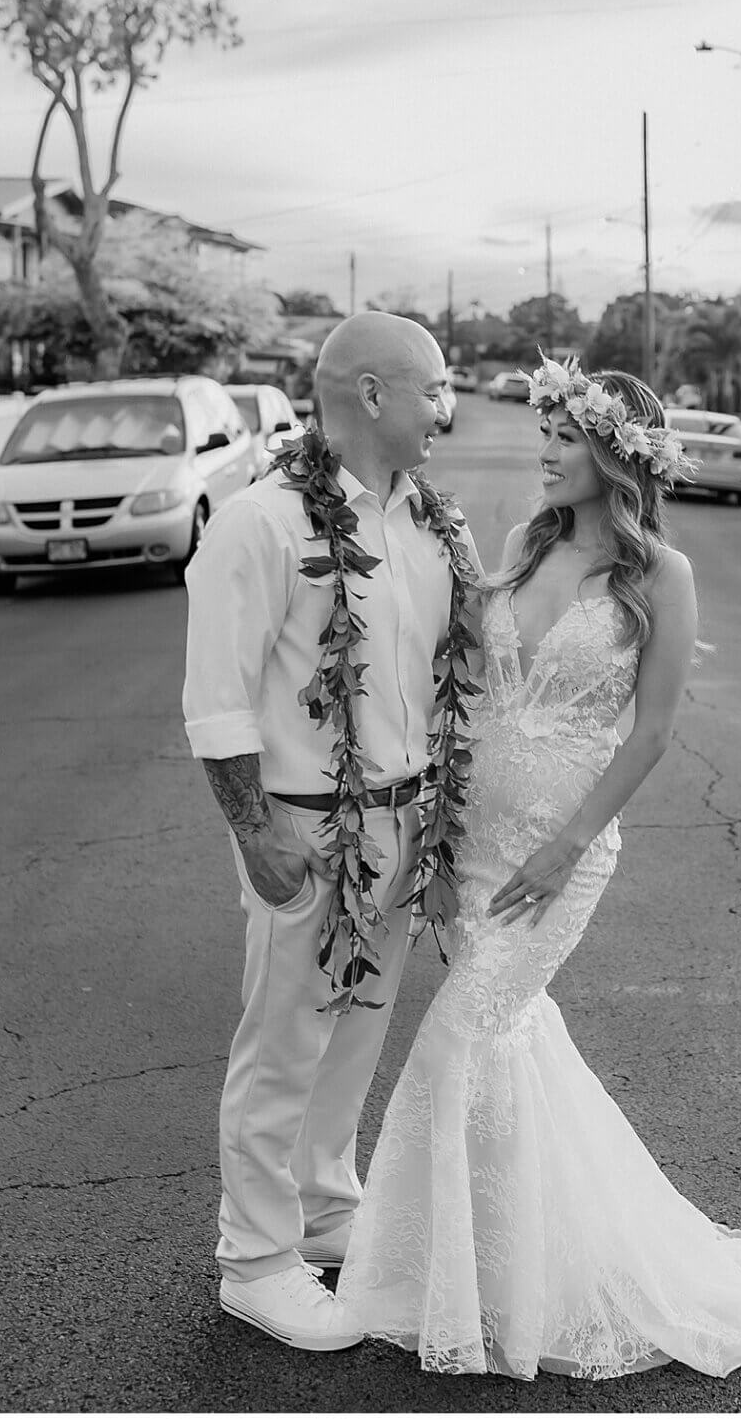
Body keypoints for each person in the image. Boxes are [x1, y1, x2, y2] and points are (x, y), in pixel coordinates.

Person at [333, 358, 741, 1382]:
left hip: (564, 848)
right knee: (509, 1046)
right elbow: (468, 686)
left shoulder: (659, 577)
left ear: (615, 452)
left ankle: (452, 1279)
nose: (543, 451)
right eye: (545, 432)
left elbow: (652, 732)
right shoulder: (519, 545)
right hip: (479, 835)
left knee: (466, 1036)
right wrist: (444, 843)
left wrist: (566, 844)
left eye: (562, 436)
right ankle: (502, 1264)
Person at [182, 312, 481, 1352]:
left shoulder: (426, 524)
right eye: (434, 387)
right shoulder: (261, 523)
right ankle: (255, 1258)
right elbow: (216, 696)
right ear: (369, 394)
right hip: (306, 829)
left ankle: (320, 1205)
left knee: (357, 1027)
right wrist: (254, 832)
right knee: (282, 1042)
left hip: (405, 821)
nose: (445, 407)